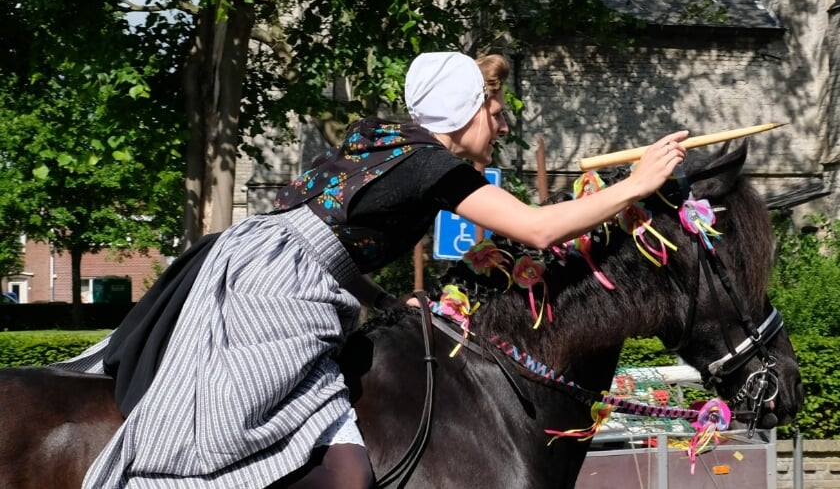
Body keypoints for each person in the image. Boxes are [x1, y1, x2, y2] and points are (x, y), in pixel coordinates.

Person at [53, 51, 688, 488]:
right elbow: (540, 228)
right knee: (234, 433)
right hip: (271, 285)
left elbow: (332, 238)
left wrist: (385, 298)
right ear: (467, 110)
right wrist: (639, 183)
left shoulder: (382, 142)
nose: (501, 123)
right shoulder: (433, 166)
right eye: (494, 110)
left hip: (262, 261)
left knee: (319, 442)